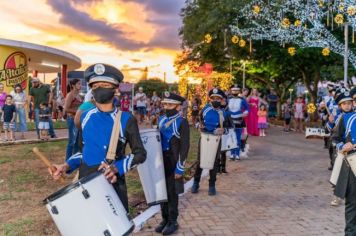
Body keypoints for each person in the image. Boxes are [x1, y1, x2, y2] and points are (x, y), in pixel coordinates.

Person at [50, 63, 147, 214]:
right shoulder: (85, 116)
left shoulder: (126, 119)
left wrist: (118, 167)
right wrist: (66, 166)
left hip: (112, 184)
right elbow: (84, 151)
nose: (100, 88)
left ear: (115, 89)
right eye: (95, 85)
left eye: (105, 84)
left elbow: (140, 153)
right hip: (85, 183)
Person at [154, 91, 190, 235]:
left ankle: (173, 221)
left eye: (170, 104)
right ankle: (164, 218)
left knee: (171, 192)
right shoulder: (161, 119)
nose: (166, 107)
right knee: (162, 190)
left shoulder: (182, 122)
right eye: (165, 104)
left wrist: (180, 168)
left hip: (172, 160)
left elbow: (185, 146)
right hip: (161, 159)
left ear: (178, 107)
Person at [191, 88, 230, 196]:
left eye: (218, 98)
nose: (216, 100)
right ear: (210, 99)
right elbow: (198, 122)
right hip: (204, 137)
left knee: (214, 161)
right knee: (200, 160)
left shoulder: (224, 113)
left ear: (222, 100)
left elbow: (229, 127)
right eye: (213, 98)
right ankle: (196, 182)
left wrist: (223, 130)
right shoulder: (205, 109)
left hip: (216, 139)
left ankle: (212, 185)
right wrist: (199, 126)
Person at [331, 88, 356, 235]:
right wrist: (343, 146)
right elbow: (335, 138)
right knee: (353, 202)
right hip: (352, 163)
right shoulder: (345, 118)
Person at [228, 85, 249, 160]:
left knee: (237, 137)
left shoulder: (242, 100)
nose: (235, 92)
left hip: (239, 119)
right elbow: (225, 108)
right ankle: (231, 154)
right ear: (231, 91)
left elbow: (247, 108)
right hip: (230, 120)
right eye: (233, 91)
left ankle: (237, 154)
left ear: (238, 91)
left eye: (236, 91)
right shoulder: (228, 99)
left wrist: (245, 113)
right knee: (230, 137)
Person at [63, 79, 83, 159]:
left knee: (78, 142)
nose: (80, 85)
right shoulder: (70, 95)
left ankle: (74, 160)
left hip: (78, 120)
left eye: (80, 84)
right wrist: (78, 112)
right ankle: (67, 161)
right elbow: (66, 109)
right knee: (72, 141)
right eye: (78, 84)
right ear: (73, 85)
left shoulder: (79, 95)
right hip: (71, 119)